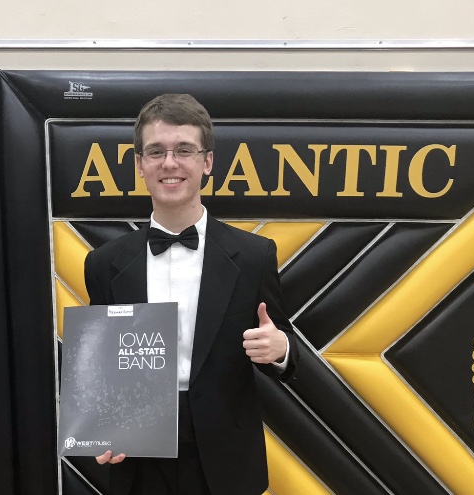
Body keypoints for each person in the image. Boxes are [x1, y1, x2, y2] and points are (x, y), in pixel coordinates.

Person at [83, 93, 299, 495]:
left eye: (184, 150)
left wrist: (280, 347)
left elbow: (282, 353)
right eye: (156, 152)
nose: (170, 163)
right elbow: (104, 364)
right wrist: (102, 428)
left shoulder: (254, 255)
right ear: (140, 165)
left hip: (226, 454)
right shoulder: (103, 263)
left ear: (207, 162)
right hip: (139, 454)